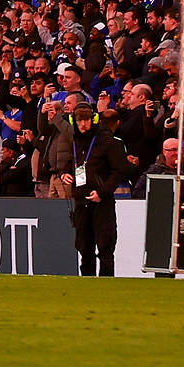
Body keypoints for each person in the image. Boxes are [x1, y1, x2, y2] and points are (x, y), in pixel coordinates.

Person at [54, 94, 130, 277]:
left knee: (105, 248)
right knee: (84, 248)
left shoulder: (107, 140)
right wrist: (65, 173)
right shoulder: (76, 140)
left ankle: (106, 285)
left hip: (100, 200)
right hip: (81, 199)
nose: (83, 124)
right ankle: (86, 284)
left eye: (86, 120)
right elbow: (73, 162)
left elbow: (120, 171)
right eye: (79, 120)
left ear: (93, 119)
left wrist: (102, 193)